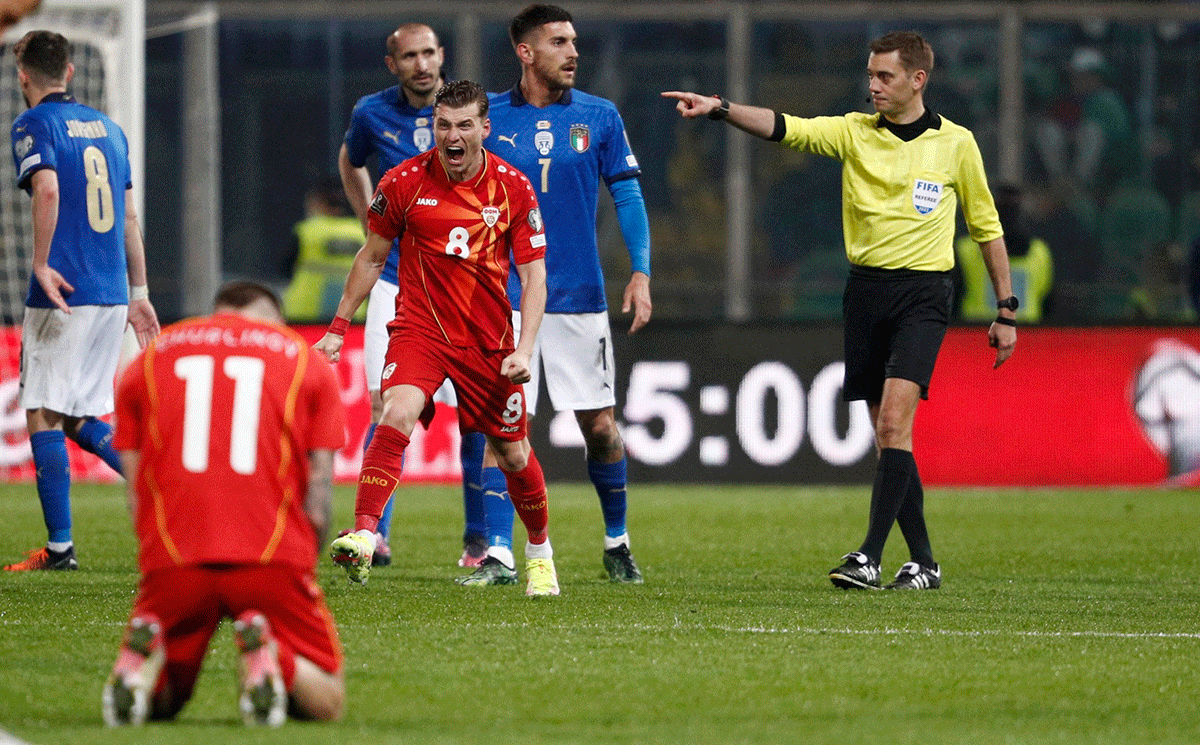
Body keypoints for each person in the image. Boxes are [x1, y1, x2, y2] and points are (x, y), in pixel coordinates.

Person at [664, 30, 1017, 590]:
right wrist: (721, 110)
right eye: (871, 75)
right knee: (887, 434)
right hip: (867, 293)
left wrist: (1007, 309)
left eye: (885, 76)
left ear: (918, 80)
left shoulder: (957, 145)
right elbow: (786, 127)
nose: (873, 85)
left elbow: (986, 228)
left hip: (925, 295)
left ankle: (868, 556)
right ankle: (923, 562)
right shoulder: (855, 132)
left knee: (896, 423)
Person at [318, 80, 561, 597]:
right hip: (420, 329)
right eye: (443, 125)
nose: (452, 136)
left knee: (513, 453)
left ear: (484, 128)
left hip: (488, 339)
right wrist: (338, 328)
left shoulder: (513, 187)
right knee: (396, 410)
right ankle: (364, 533)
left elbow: (535, 276)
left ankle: (539, 550)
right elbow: (373, 256)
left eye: (464, 125)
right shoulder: (403, 181)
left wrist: (524, 348)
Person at [103, 281, 346, 727]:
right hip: (272, 557)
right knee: (327, 701)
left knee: (168, 703)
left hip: (176, 557)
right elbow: (320, 491)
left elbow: (136, 485)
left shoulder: (150, 360)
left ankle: (140, 669)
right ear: (272, 319)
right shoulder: (304, 360)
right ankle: (272, 657)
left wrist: (154, 553)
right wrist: (303, 561)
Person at [468, 3, 652, 586]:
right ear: (525, 53)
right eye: (558, 42)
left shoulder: (599, 116)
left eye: (574, 41)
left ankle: (617, 542)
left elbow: (626, 196)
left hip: (578, 296)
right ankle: (498, 555)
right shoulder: (487, 117)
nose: (573, 52)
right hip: (503, 297)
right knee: (504, 428)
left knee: (599, 426)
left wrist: (641, 271)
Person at [4, 30, 159, 572]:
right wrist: (140, 294)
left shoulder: (32, 124)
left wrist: (40, 263)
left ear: (23, 75)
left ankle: (61, 549)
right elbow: (130, 217)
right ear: (70, 72)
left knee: (43, 413)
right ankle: (160, 483)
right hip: (113, 291)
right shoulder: (111, 131)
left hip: (63, 290)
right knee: (79, 416)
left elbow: (46, 189)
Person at [339, 22, 491, 569]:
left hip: (468, 284)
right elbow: (349, 159)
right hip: (398, 281)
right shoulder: (371, 114)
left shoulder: (471, 108)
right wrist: (370, 221)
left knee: (478, 416)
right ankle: (373, 534)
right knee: (386, 404)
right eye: (410, 56)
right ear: (392, 63)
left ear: (442, 55)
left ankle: (478, 542)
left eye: (429, 53)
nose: (422, 65)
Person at [956, 183, 1054, 323]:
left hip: (976, 332)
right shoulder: (1039, 252)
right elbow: (1046, 298)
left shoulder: (965, 249)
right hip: (1026, 333)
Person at [281, 176, 366, 323]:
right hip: (352, 317)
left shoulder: (307, 230)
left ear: (320, 202)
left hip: (304, 314)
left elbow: (284, 268)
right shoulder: (362, 233)